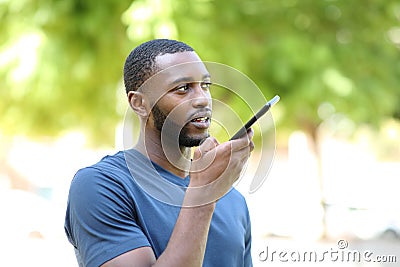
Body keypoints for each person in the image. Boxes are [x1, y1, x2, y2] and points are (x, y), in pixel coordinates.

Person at [64, 39, 255, 267]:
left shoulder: (232, 200)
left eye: (205, 85)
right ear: (139, 103)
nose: (202, 98)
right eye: (182, 88)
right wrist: (204, 195)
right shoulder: (100, 186)